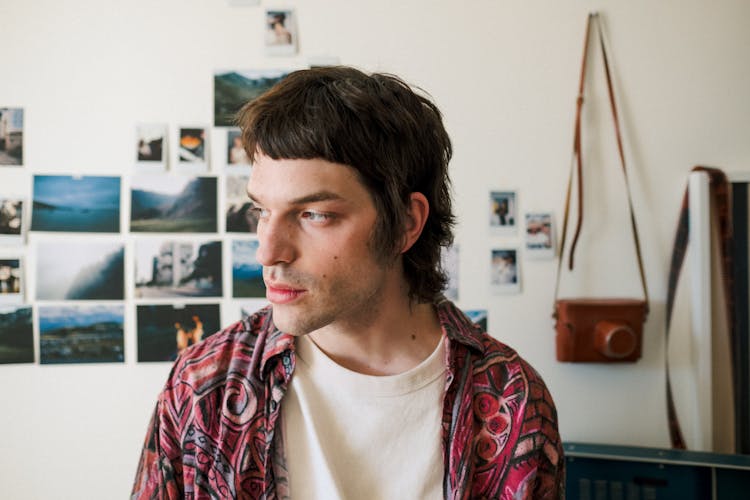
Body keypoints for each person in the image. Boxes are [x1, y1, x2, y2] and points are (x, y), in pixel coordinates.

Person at [132, 66, 564, 499]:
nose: (268, 252)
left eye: (314, 215)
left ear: (406, 224)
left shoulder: (513, 399)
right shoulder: (204, 386)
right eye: (262, 211)